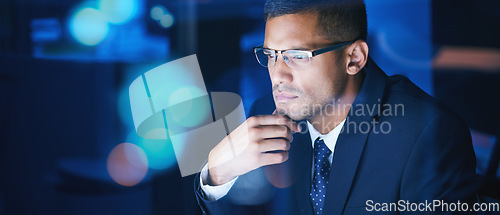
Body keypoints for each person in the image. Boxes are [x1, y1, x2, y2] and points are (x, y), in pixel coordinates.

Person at [194, 0, 478, 214]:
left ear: (354, 57)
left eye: (297, 56)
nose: (278, 75)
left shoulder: (427, 133)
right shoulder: (266, 114)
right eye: (271, 55)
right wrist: (216, 174)